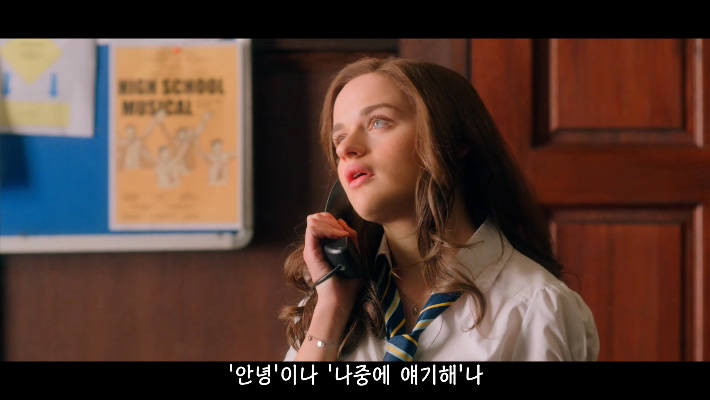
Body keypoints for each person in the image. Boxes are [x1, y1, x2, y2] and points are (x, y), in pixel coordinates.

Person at [279, 57, 599, 362]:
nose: (346, 149)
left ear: (455, 141)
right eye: (338, 137)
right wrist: (331, 308)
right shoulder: (328, 303)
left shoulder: (535, 308)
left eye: (378, 122)